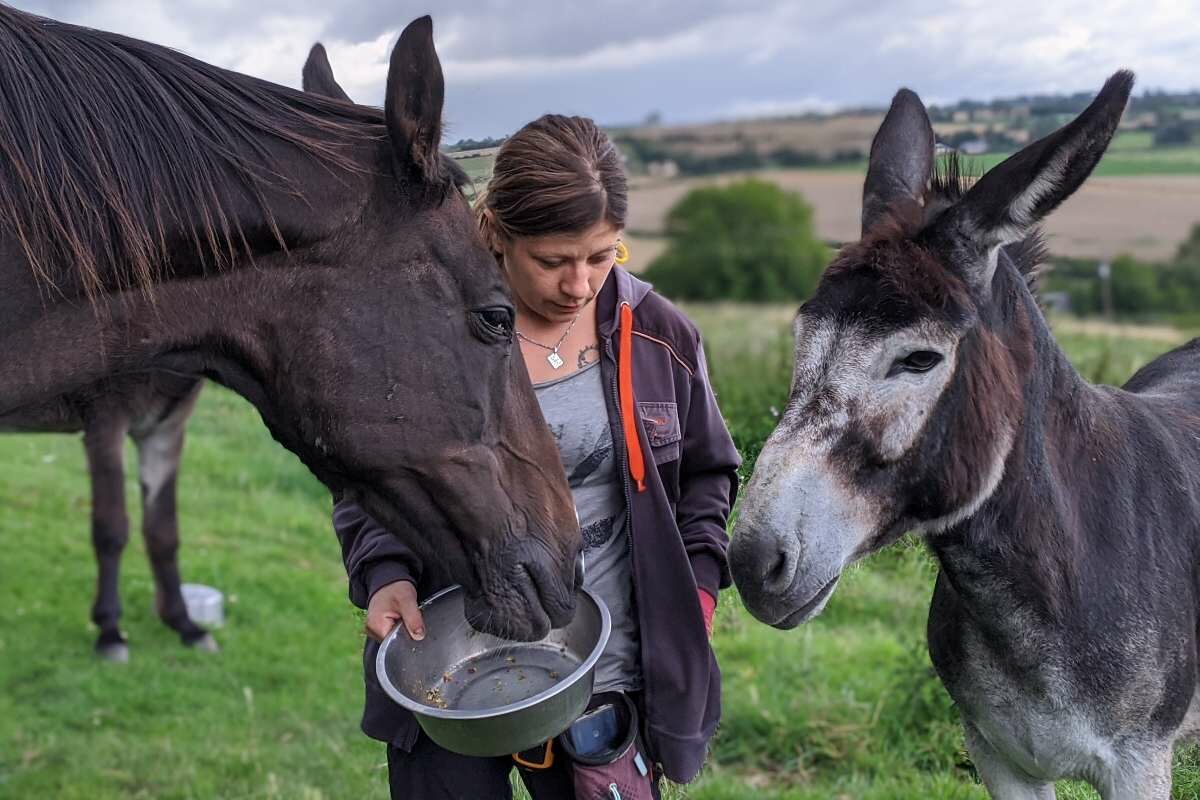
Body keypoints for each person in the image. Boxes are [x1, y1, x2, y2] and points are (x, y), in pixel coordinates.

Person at [333, 113, 739, 799]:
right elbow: (371, 475)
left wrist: (696, 590)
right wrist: (384, 573)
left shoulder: (660, 335)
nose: (580, 285)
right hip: (454, 655)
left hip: (605, 665)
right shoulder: (426, 335)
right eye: (553, 261)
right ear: (496, 234)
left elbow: (707, 474)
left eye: (603, 255)